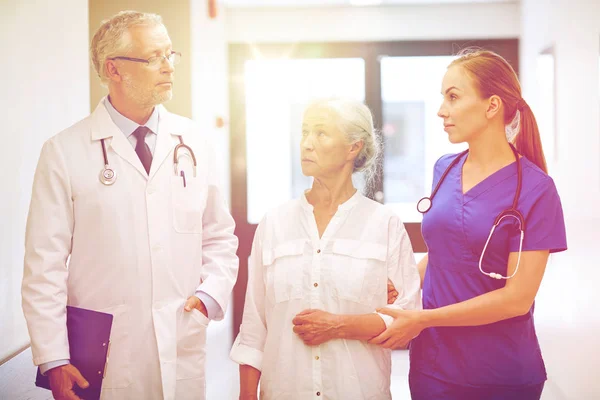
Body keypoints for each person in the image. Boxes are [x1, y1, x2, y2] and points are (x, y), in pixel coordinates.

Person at [21, 11, 239, 400]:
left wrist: (209, 296)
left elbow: (219, 235)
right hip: (103, 353)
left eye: (171, 54)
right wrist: (53, 357)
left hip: (181, 338)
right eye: (154, 57)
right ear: (114, 69)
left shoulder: (193, 141)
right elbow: (44, 264)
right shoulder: (64, 152)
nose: (169, 66)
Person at [370, 49, 568, 400]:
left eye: (453, 97)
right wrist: (404, 285)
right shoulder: (444, 168)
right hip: (434, 367)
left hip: (501, 373)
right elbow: (445, 252)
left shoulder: (536, 189)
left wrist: (424, 319)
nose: (441, 110)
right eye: (442, 97)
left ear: (492, 106)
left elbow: (516, 300)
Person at [229, 98, 421, 400]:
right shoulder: (274, 223)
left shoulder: (384, 224)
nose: (306, 143)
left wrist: (338, 326)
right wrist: (246, 394)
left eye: (321, 133)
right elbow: (254, 325)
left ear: (353, 147)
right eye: (305, 132)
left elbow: (406, 318)